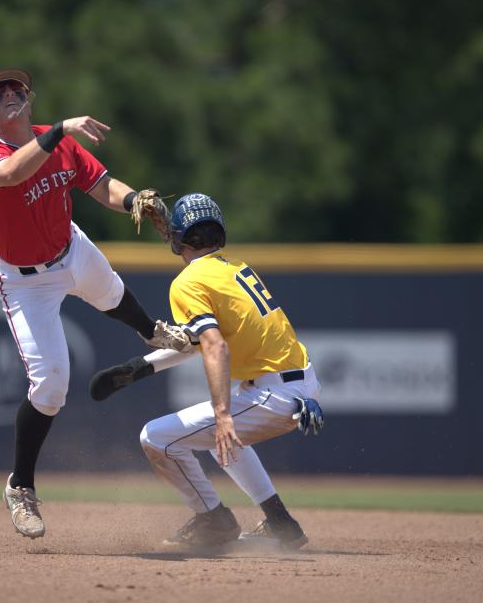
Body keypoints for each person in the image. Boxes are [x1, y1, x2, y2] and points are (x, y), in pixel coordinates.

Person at [0, 68, 192, 540]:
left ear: (29, 100)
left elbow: (101, 185)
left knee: (111, 292)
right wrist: (57, 131)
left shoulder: (62, 145)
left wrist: (135, 199)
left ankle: (152, 331)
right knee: (51, 386)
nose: (10, 96)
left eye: (17, 90)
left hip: (69, 247)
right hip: (23, 281)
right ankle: (21, 486)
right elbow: (10, 175)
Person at [88, 193, 325, 550]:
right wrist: (140, 368)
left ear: (178, 239)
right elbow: (202, 341)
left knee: (156, 439)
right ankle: (280, 523)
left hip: (273, 394)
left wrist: (223, 412)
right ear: (220, 235)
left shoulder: (188, 281)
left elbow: (214, 345)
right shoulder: (235, 267)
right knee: (220, 441)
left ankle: (214, 520)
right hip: (299, 386)